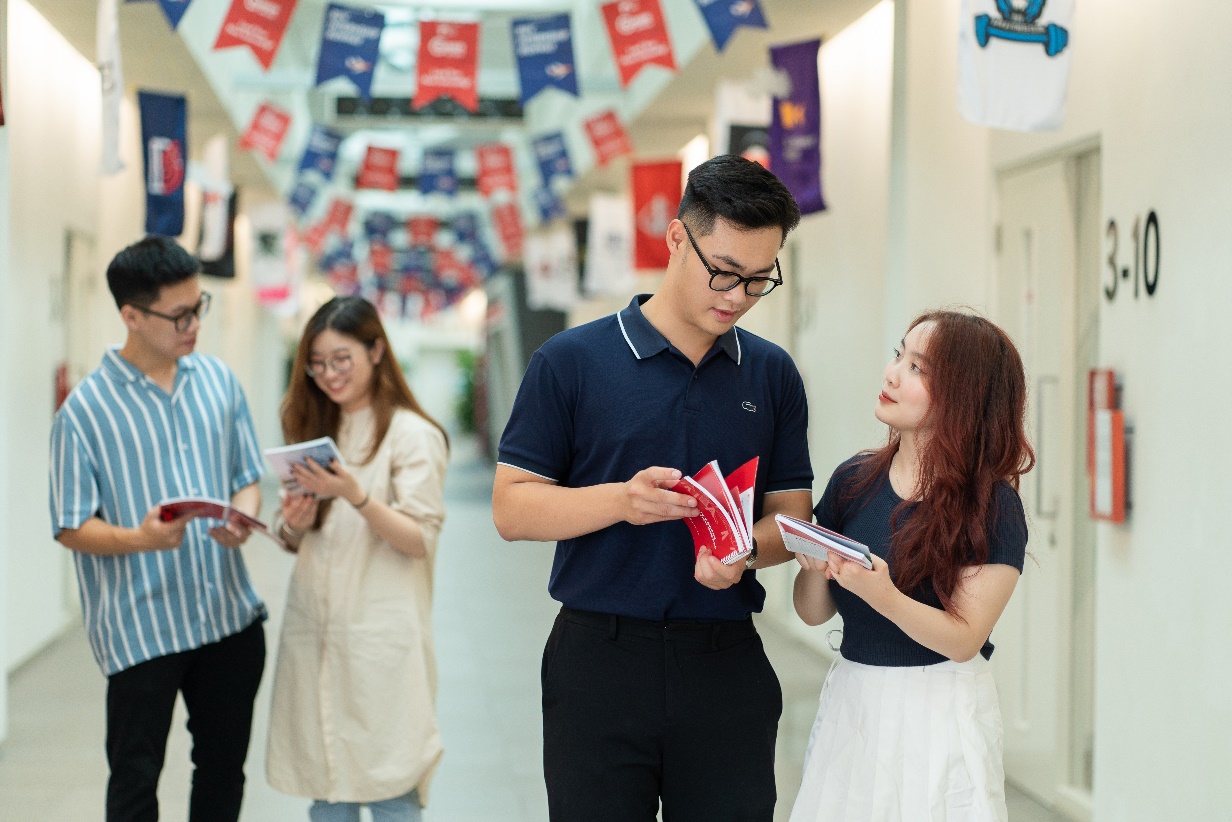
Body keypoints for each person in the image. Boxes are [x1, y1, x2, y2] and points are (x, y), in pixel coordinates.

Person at [492, 154, 814, 821]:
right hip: (599, 662)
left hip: (725, 659)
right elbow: (512, 507)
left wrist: (746, 553)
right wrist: (620, 500)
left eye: (758, 281)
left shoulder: (772, 375)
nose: (736, 297)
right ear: (675, 239)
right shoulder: (572, 362)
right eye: (722, 272)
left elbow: (792, 519)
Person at [48, 236, 268, 822]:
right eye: (180, 315)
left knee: (223, 773)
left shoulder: (218, 381)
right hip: (141, 627)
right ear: (132, 316)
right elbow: (71, 526)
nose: (194, 324)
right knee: (135, 782)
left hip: (227, 617)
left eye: (200, 308)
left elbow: (248, 474)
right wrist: (140, 538)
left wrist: (241, 516)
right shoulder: (84, 413)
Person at [788, 310, 1034, 822]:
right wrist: (813, 568)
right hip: (853, 702)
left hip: (940, 708)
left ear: (964, 397)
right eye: (899, 354)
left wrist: (885, 596)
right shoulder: (854, 480)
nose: (892, 372)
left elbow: (964, 638)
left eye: (918, 368)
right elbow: (812, 614)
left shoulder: (993, 506)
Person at [265, 295, 449, 822]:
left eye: (340, 359)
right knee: (327, 790)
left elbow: (419, 539)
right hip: (317, 629)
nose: (328, 375)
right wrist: (293, 526)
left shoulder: (412, 435)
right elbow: (304, 538)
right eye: (317, 363)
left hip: (382, 638)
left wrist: (355, 493)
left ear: (375, 350)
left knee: (391, 787)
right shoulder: (314, 430)